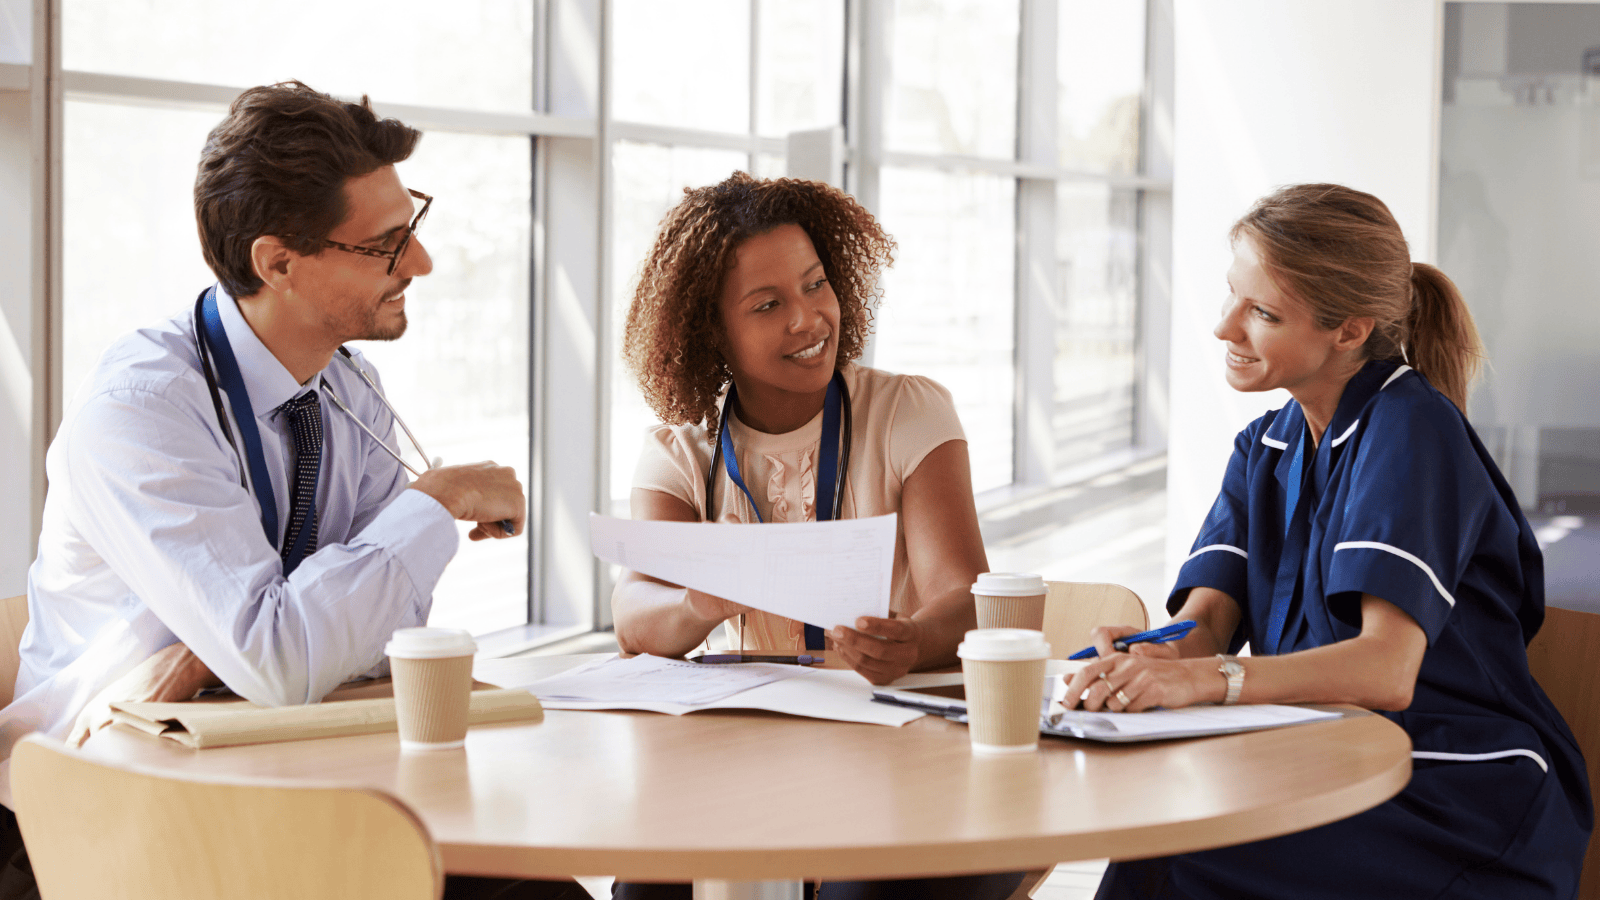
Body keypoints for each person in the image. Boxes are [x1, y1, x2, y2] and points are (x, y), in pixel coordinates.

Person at [0, 82, 583, 900]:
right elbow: (283, 658)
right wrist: (437, 501)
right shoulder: (140, 413)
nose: (420, 262)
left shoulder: (350, 389)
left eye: (411, 227)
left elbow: (368, 635)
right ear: (277, 262)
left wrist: (221, 650)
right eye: (385, 245)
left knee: (538, 888)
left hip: (284, 768)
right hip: (108, 813)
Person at [1063, 183, 1592, 899]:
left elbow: (1387, 671)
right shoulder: (1265, 449)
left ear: (1349, 330)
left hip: (1454, 787)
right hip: (1328, 762)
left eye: (1262, 312)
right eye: (1232, 297)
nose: (1224, 329)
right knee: (1152, 855)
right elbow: (1207, 628)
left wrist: (1200, 680)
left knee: (1184, 865)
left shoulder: (1412, 429)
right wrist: (1146, 658)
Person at [610, 172, 1022, 900]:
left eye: (816, 285)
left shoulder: (906, 411)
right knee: (651, 889)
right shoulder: (683, 450)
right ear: (712, 332)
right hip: (755, 753)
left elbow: (962, 593)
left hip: (908, 748)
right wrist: (702, 601)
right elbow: (637, 616)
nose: (808, 319)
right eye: (768, 305)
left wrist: (912, 639)